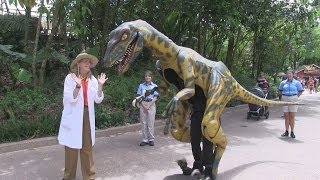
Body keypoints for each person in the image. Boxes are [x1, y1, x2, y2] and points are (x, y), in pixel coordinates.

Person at [58, 53, 107, 180]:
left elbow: (98, 99)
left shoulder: (93, 80)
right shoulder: (70, 78)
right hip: (73, 116)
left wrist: (100, 86)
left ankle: (90, 177)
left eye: (89, 62)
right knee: (71, 149)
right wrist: (78, 86)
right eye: (84, 61)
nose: (87, 63)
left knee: (87, 148)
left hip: (87, 116)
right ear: (78, 64)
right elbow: (69, 98)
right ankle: (68, 177)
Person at [278, 69, 303, 138]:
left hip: (293, 99)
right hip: (284, 99)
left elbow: (300, 91)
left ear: (293, 74)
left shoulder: (297, 83)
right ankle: (286, 131)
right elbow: (280, 91)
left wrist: (295, 97)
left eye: (290, 73)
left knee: (292, 116)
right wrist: (281, 99)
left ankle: (292, 132)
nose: (289, 75)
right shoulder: (283, 82)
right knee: (286, 116)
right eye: (288, 73)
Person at [136, 70, 159, 146]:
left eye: (149, 76)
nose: (147, 77)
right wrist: (144, 105)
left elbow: (155, 97)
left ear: (151, 77)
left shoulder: (155, 86)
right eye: (146, 76)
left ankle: (151, 139)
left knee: (150, 123)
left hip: (151, 104)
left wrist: (149, 105)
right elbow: (138, 97)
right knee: (143, 123)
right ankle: (145, 139)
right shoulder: (141, 86)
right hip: (143, 104)